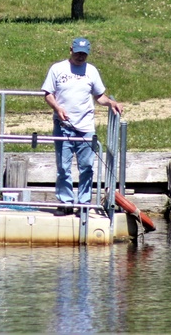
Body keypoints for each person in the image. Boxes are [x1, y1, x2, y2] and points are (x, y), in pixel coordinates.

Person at [41, 37, 123, 212]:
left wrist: (111, 103)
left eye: (84, 54)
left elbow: (99, 96)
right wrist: (57, 108)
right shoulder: (57, 69)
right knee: (63, 167)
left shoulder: (91, 71)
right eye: (77, 53)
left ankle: (84, 202)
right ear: (71, 50)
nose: (80, 57)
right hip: (63, 127)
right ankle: (66, 202)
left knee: (86, 166)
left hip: (86, 128)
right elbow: (48, 93)